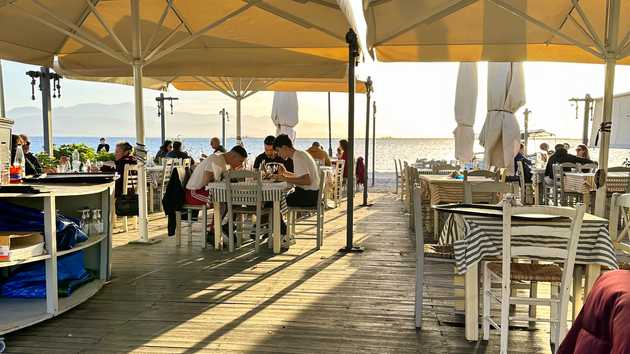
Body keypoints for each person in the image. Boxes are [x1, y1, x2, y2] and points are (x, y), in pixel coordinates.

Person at [272, 134, 321, 208]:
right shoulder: (300, 154)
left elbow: (307, 181)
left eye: (278, 151)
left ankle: (276, 219)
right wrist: (286, 174)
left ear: (284, 147)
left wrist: (284, 178)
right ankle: (280, 219)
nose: (278, 154)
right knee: (278, 199)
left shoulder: (298, 157)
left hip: (308, 196)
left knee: (275, 201)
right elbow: (301, 177)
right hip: (313, 194)